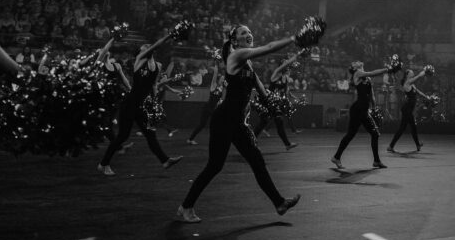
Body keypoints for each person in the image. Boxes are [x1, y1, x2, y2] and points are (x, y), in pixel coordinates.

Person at [176, 21, 319, 223]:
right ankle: (186, 206)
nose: (249, 34)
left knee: (257, 161)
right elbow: (268, 48)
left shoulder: (248, 64)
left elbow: (260, 88)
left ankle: (279, 203)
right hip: (224, 119)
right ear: (235, 40)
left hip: (238, 123)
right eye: (243, 33)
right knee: (215, 166)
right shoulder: (236, 55)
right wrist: (295, 39)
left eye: (250, 32)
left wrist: (273, 104)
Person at [97, 32, 181, 175]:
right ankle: (103, 164)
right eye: (144, 47)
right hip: (130, 103)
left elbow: (154, 85)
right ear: (142, 51)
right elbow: (156, 45)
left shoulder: (158, 65)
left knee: (150, 134)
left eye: (147, 47)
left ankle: (165, 161)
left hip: (142, 105)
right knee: (123, 136)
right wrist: (168, 36)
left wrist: (154, 103)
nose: (146, 47)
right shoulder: (139, 60)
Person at [331, 60, 392, 170]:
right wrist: (386, 69)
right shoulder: (357, 74)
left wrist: (374, 107)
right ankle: (376, 161)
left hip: (364, 109)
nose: (356, 62)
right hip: (358, 109)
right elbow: (372, 73)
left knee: (369, 134)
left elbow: (371, 94)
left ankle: (337, 157)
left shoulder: (367, 79)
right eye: (354, 63)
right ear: (354, 68)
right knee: (368, 134)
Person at [250, 53, 301, 150]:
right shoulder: (276, 74)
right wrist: (293, 58)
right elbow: (282, 68)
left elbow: (285, 91)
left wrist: (289, 99)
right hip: (267, 100)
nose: (287, 66)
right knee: (266, 122)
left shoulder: (285, 77)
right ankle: (251, 142)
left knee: (273, 122)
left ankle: (287, 144)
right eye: (285, 64)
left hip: (276, 103)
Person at [387, 67, 427, 153]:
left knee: (405, 128)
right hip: (406, 109)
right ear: (408, 75)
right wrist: (423, 71)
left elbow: (418, 92)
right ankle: (417, 145)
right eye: (411, 72)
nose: (413, 72)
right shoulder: (407, 82)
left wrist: (426, 97)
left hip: (408, 109)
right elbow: (418, 77)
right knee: (411, 127)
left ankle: (391, 146)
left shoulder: (412, 84)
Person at [186, 65, 222, 145]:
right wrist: (216, 66)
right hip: (207, 108)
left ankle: (217, 140)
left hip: (214, 109)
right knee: (202, 125)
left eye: (223, 79)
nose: (222, 80)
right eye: (221, 79)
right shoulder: (213, 86)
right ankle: (190, 139)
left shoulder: (222, 89)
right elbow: (215, 75)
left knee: (218, 124)